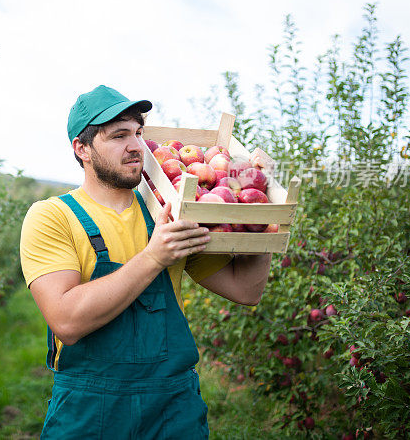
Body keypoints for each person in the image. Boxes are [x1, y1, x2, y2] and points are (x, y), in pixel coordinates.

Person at [20, 85, 272, 439]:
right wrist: (154, 257)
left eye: (139, 133)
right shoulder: (53, 216)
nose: (136, 145)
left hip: (172, 408)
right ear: (82, 149)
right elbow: (67, 320)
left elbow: (246, 290)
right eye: (119, 135)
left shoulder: (167, 211)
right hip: (90, 409)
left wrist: (261, 224)